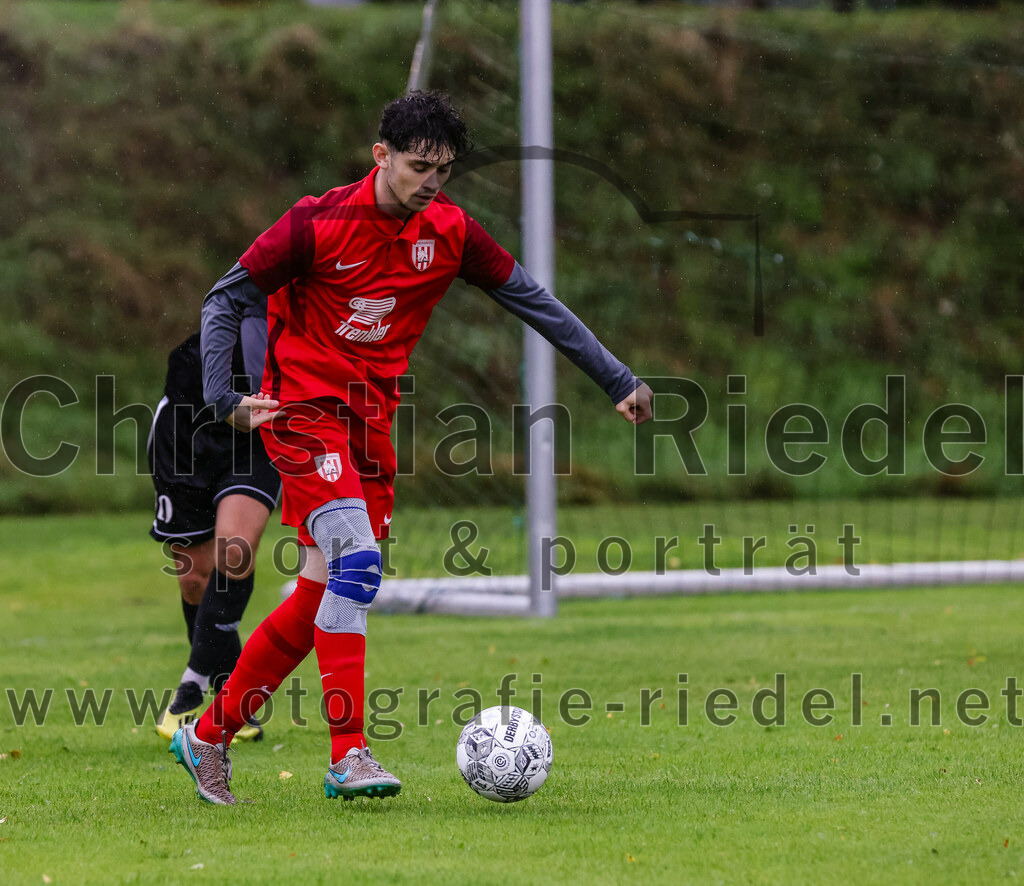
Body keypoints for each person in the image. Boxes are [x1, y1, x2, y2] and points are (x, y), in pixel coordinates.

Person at [169, 91, 653, 805]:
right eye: (418, 166)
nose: (430, 181)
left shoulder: (450, 232)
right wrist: (223, 398)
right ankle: (349, 754)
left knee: (318, 596)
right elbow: (226, 298)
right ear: (381, 156)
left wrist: (616, 377)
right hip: (302, 411)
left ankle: (208, 736)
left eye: (443, 170)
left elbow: (532, 299)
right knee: (358, 565)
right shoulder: (316, 223)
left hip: (371, 422)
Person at [148, 316, 280, 743]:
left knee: (235, 550)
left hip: (252, 437)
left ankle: (192, 684)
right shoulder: (236, 298)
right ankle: (233, 702)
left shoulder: (303, 319)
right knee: (194, 580)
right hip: (186, 435)